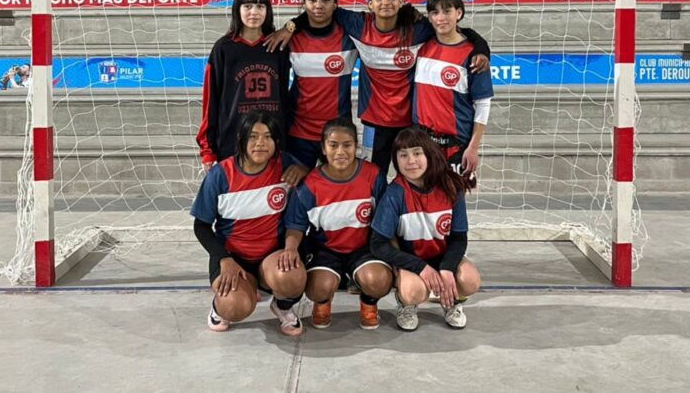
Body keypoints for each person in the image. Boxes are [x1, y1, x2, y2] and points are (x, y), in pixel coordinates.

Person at [268, 0, 490, 175]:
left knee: (413, 179)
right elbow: (319, 11)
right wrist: (290, 26)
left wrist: (480, 47)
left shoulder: (417, 29)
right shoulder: (357, 25)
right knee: (373, 179)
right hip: (374, 123)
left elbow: (453, 29)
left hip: (410, 124)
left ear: (401, 2)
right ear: (369, 4)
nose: (386, 1)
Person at [190, 111, 309, 336]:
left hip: (271, 255)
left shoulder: (285, 165)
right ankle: (220, 306)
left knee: (293, 278)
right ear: (241, 139)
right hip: (233, 257)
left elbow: (316, 181)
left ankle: (282, 306)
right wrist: (224, 259)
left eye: (268, 137)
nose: (260, 143)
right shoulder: (220, 175)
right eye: (253, 136)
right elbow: (201, 226)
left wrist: (304, 170)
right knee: (235, 307)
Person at [280, 118, 392, 329]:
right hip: (325, 250)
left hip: (363, 249)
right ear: (323, 148)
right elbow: (295, 224)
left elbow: (386, 219)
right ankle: (323, 302)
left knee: (378, 281)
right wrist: (290, 249)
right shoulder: (309, 184)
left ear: (356, 146)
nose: (340, 152)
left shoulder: (373, 175)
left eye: (347, 145)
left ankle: (369, 302)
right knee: (319, 288)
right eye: (333, 145)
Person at [370, 127, 480, 331]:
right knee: (413, 292)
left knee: (470, 280)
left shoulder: (450, 186)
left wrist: (447, 268)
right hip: (411, 260)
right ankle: (406, 303)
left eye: (417, 153)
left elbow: (458, 238)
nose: (411, 161)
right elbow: (378, 244)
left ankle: (452, 300)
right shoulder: (395, 193)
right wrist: (420, 267)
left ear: (429, 154)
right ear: (396, 161)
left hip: (441, 256)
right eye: (403, 155)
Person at [196, 0, 291, 173]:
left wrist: (290, 27)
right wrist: (207, 150)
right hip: (231, 143)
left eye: (260, 6)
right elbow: (210, 101)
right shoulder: (223, 48)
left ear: (268, 11)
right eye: (247, 6)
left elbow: (284, 97)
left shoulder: (278, 47)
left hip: (271, 144)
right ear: (237, 9)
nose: (254, 12)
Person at [414, 0, 494, 180]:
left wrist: (473, 147)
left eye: (447, 11)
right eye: (435, 13)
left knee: (453, 196)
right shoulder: (420, 47)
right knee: (423, 195)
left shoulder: (475, 57)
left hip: (456, 145)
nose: (441, 18)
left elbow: (483, 104)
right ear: (429, 18)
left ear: (458, 13)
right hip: (422, 142)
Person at [285, 0, 359, 168]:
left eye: (326, 0)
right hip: (299, 133)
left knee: (337, 185)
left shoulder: (350, 37)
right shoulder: (290, 38)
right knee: (297, 185)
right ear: (304, 3)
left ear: (335, 5)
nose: (318, 5)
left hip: (338, 133)